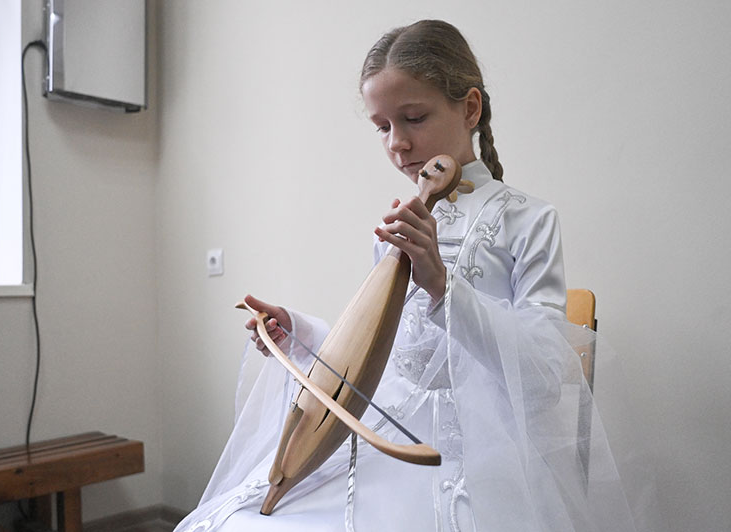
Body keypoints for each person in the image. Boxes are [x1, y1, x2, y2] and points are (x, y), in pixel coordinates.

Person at [175, 19, 651, 532]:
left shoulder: (529, 219)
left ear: (470, 108)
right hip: (390, 427)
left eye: (414, 118)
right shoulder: (396, 227)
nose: (397, 143)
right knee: (240, 520)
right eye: (382, 126)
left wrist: (444, 286)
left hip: (479, 455)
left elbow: (544, 379)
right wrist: (299, 333)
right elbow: (385, 351)